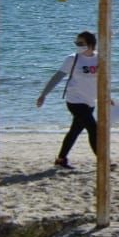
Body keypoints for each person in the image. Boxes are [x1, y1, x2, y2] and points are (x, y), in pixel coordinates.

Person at [36, 31, 100, 169]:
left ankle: (61, 159)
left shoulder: (99, 58)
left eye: (81, 43)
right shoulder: (72, 59)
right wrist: (44, 94)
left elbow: (103, 80)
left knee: (74, 131)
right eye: (76, 43)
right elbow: (58, 76)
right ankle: (103, 161)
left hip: (90, 102)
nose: (77, 46)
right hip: (75, 101)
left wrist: (108, 97)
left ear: (91, 44)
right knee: (93, 129)